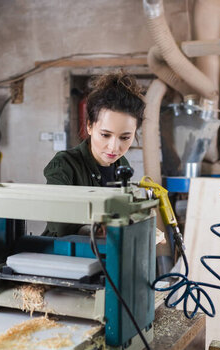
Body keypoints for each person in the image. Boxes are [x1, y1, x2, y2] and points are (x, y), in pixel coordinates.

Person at [43, 72, 145, 237]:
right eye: (105, 135)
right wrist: (97, 229)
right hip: (66, 254)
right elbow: (59, 225)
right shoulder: (64, 164)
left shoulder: (122, 165)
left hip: (107, 252)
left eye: (125, 137)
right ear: (89, 126)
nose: (113, 147)